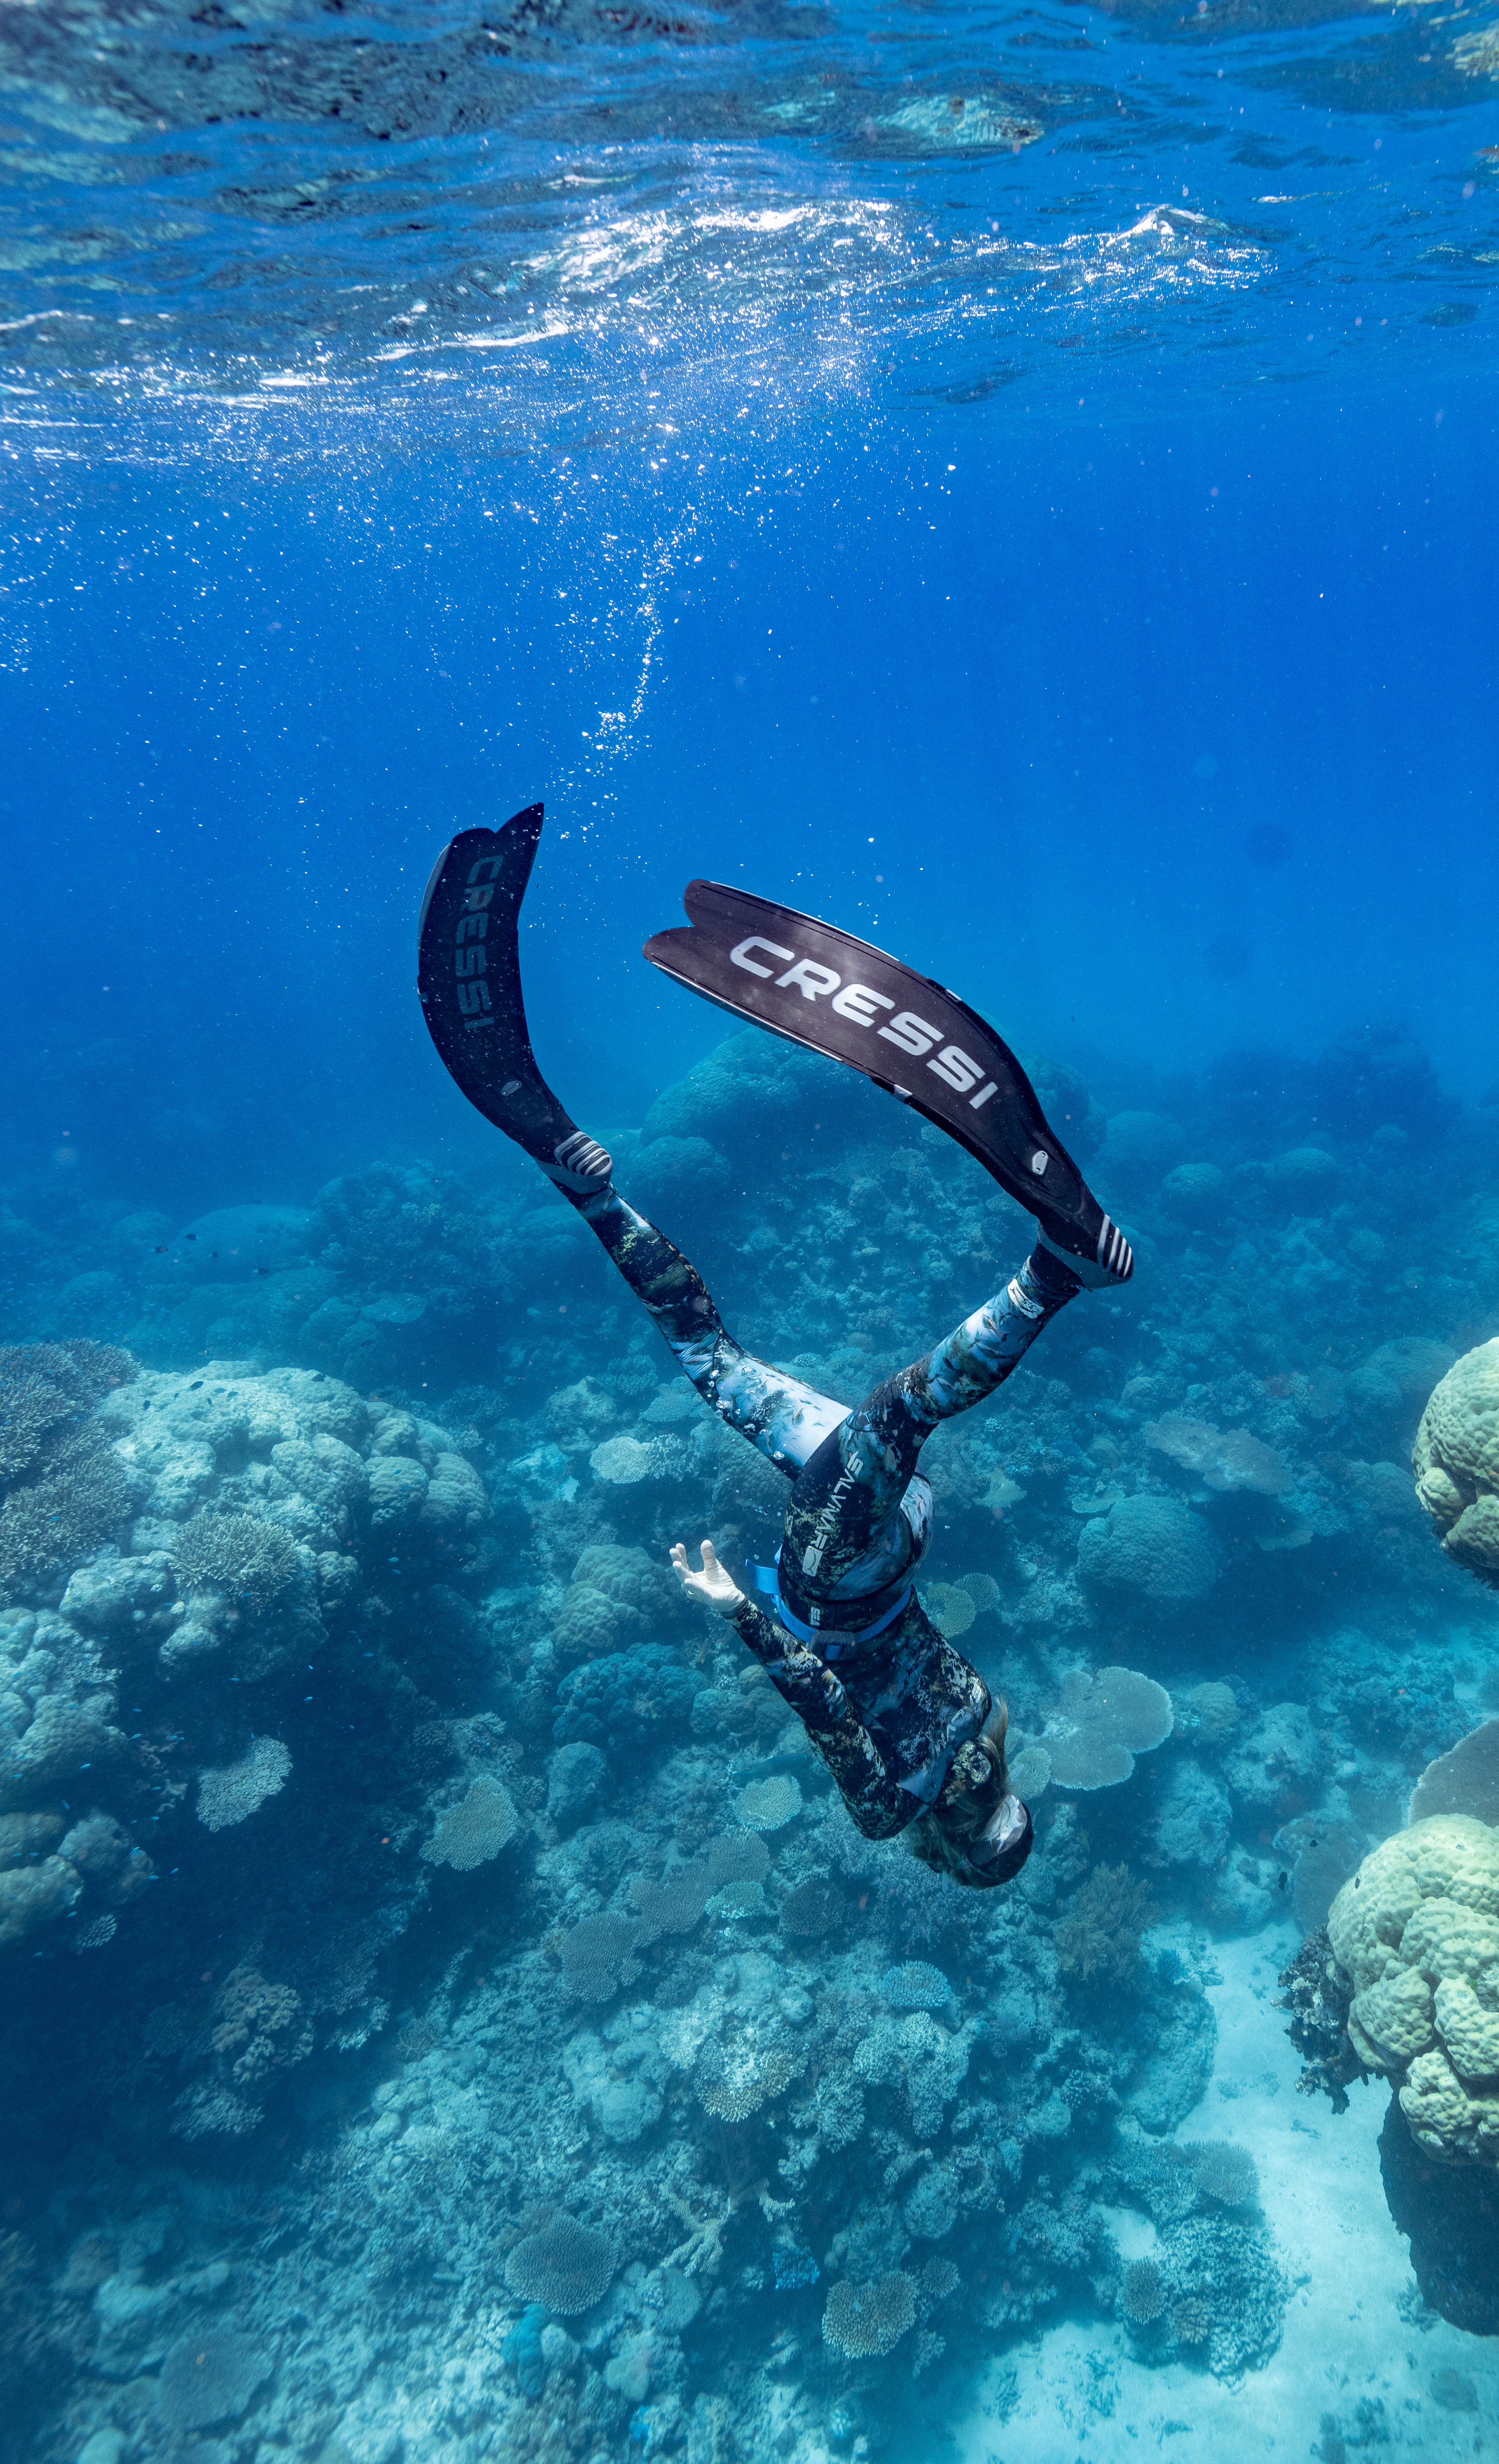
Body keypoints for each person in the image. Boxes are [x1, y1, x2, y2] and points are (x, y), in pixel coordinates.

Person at [416, 805, 1133, 1890]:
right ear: (945, 1851)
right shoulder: (897, 1811)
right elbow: (820, 1696)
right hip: (835, 1569)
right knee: (896, 1411)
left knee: (714, 1363)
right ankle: (1053, 1277)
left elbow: (909, 1662)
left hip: (887, 1544)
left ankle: (583, 1185)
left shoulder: (992, 1719)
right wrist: (738, 1614)